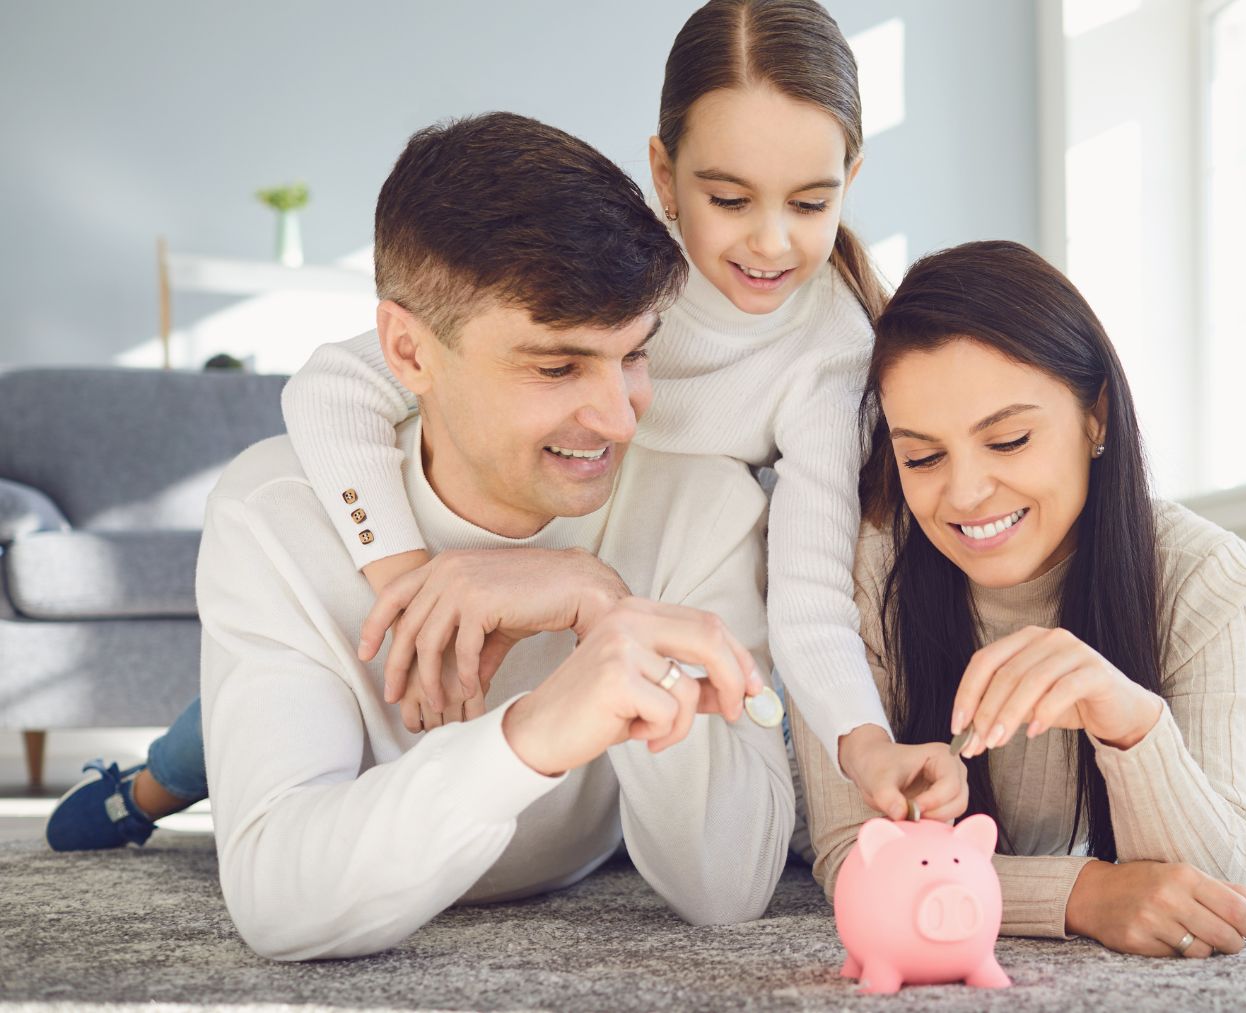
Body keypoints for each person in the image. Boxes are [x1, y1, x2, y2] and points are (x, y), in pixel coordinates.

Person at [46, 0, 959, 853]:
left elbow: (807, 591)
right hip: (491, 529)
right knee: (310, 678)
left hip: (629, 559)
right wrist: (417, 580)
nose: (768, 244)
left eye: (809, 202)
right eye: (729, 199)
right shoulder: (609, 272)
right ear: (663, 176)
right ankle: (152, 789)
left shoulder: (833, 354)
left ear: (852, 179)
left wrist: (864, 744)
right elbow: (330, 389)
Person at [161, 112, 793, 959]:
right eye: (557, 366)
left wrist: (610, 611)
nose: (619, 418)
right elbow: (278, 902)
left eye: (636, 355)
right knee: (191, 755)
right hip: (260, 709)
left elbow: (727, 888)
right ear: (408, 353)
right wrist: (530, 735)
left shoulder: (701, 502)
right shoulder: (273, 515)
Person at [791, 241, 1246, 959]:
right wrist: (1083, 893)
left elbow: (1222, 884)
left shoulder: (1202, 572)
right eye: (922, 457)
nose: (963, 494)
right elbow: (850, 857)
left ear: (1097, 418)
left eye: (1009, 439)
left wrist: (1129, 722)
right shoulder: (864, 573)